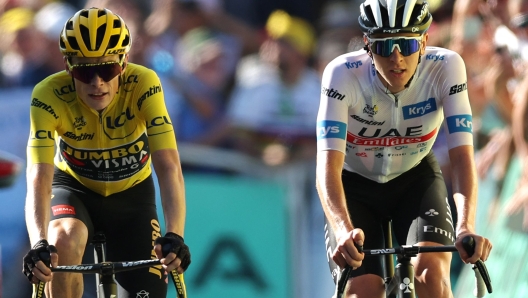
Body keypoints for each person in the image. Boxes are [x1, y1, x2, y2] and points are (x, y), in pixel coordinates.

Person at [316, 1, 493, 297]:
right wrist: (342, 228)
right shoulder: (342, 75)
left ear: (424, 42)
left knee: (432, 280)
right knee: (362, 292)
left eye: (407, 44)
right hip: (354, 187)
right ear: (368, 46)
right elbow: (327, 167)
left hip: (415, 179)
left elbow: (462, 156)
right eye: (385, 47)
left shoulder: (447, 67)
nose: (396, 58)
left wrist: (465, 226)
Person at [21, 7, 190, 298]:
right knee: (62, 240)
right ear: (68, 66)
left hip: (132, 198)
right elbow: (38, 175)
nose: (97, 81)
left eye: (107, 68)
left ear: (124, 64)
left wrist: (175, 234)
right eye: (85, 70)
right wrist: (39, 242)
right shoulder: (48, 94)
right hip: (74, 189)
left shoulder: (144, 84)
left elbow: (169, 165)